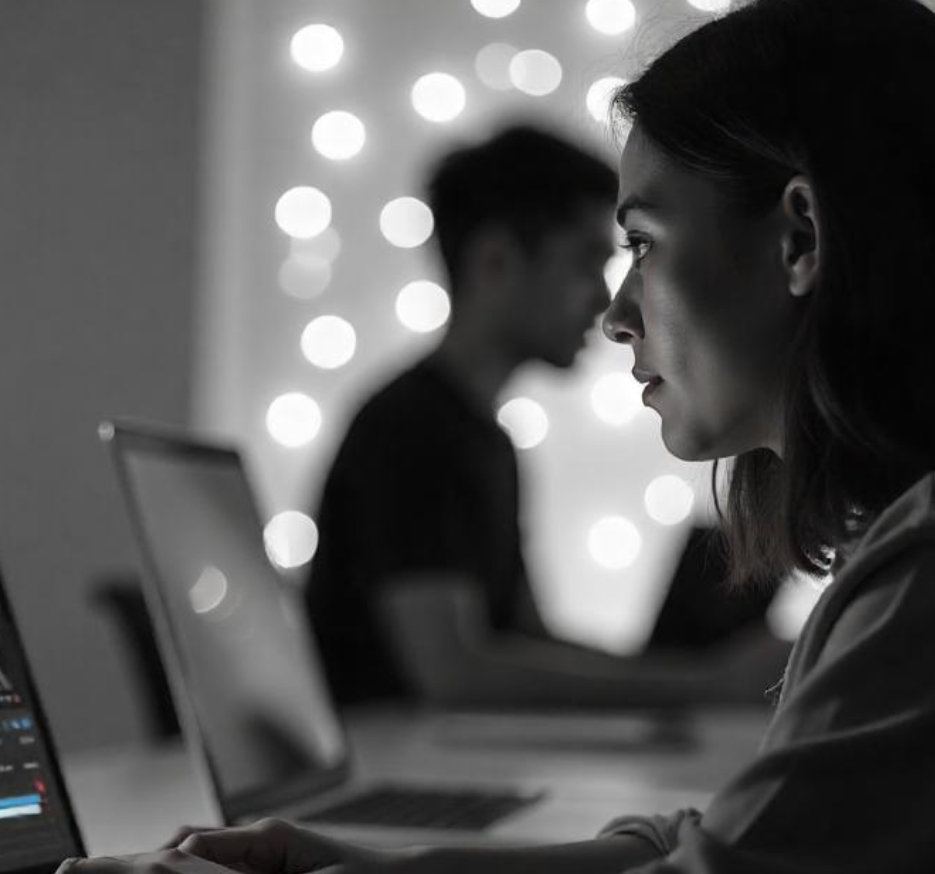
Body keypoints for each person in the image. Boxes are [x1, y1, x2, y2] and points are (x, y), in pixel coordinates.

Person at [0, 0, 935, 874]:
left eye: (643, 244)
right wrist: (358, 866)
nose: (617, 311)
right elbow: (721, 868)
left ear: (801, 239)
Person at [302, 124, 787, 710]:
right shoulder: (409, 431)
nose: (604, 303)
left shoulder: (482, 439)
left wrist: (686, 675)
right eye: (586, 263)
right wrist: (705, 684)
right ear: (496, 260)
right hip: (393, 766)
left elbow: (524, 642)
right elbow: (454, 671)